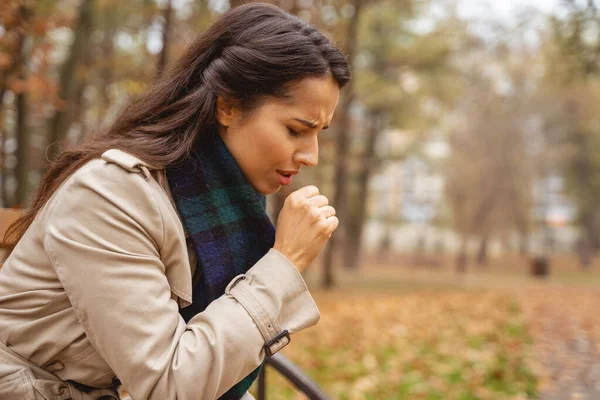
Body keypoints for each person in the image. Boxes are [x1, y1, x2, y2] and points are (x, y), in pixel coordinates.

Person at [0, 3, 350, 400]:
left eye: (319, 132)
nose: (311, 155)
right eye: (295, 130)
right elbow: (171, 385)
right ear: (228, 105)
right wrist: (284, 263)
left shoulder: (222, 201)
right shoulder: (110, 196)